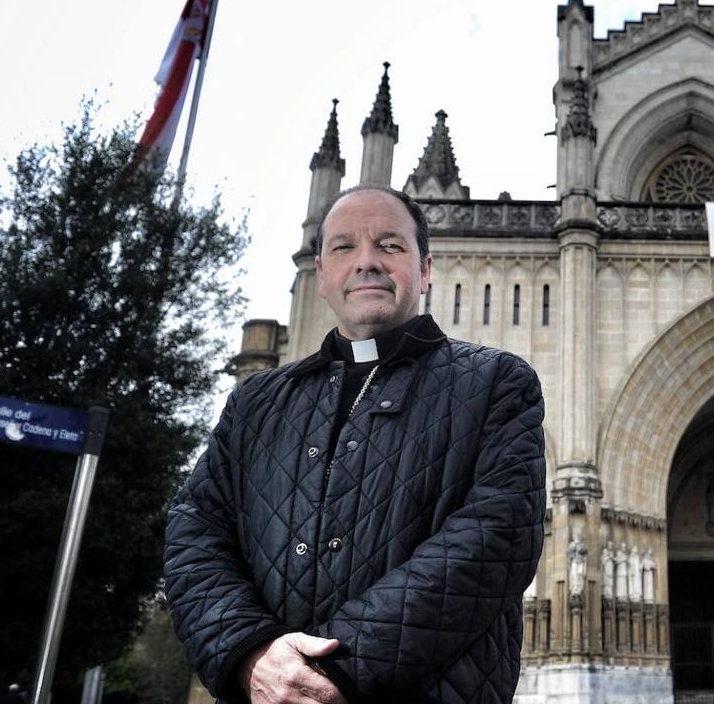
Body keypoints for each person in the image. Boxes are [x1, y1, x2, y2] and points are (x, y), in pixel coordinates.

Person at [164, 186, 546, 704]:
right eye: (344, 247)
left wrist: (331, 672)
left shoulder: (497, 382)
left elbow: (496, 541)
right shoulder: (257, 401)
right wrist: (251, 654)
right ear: (320, 274)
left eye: (390, 245)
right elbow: (194, 536)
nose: (367, 262)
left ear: (426, 269)